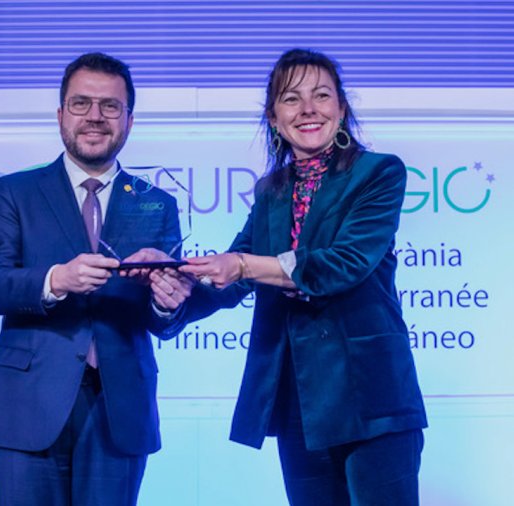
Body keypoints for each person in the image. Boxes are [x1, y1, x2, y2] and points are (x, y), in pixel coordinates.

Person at [179, 48, 427, 505]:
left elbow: (344, 263)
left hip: (371, 395)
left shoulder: (378, 172)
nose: (308, 109)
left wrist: (245, 266)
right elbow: (236, 268)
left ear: (341, 108)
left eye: (322, 96)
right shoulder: (271, 190)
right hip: (299, 398)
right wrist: (172, 285)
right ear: (274, 118)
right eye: (292, 99)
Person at [0, 52, 191, 506]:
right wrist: (57, 279)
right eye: (81, 104)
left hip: (119, 407)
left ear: (129, 120)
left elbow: (165, 320)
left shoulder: (157, 203)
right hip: (27, 404)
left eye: (110, 106)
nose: (95, 117)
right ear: (60, 115)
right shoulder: (14, 192)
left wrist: (167, 303)